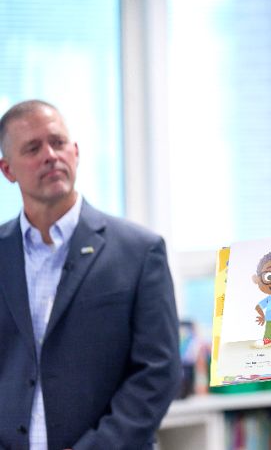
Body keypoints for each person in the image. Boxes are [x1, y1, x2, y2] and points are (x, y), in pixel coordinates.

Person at [0, 100, 181, 450]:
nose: (51, 155)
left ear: (76, 152)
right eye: (33, 148)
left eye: (58, 142)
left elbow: (159, 371)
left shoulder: (139, 251)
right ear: (7, 170)